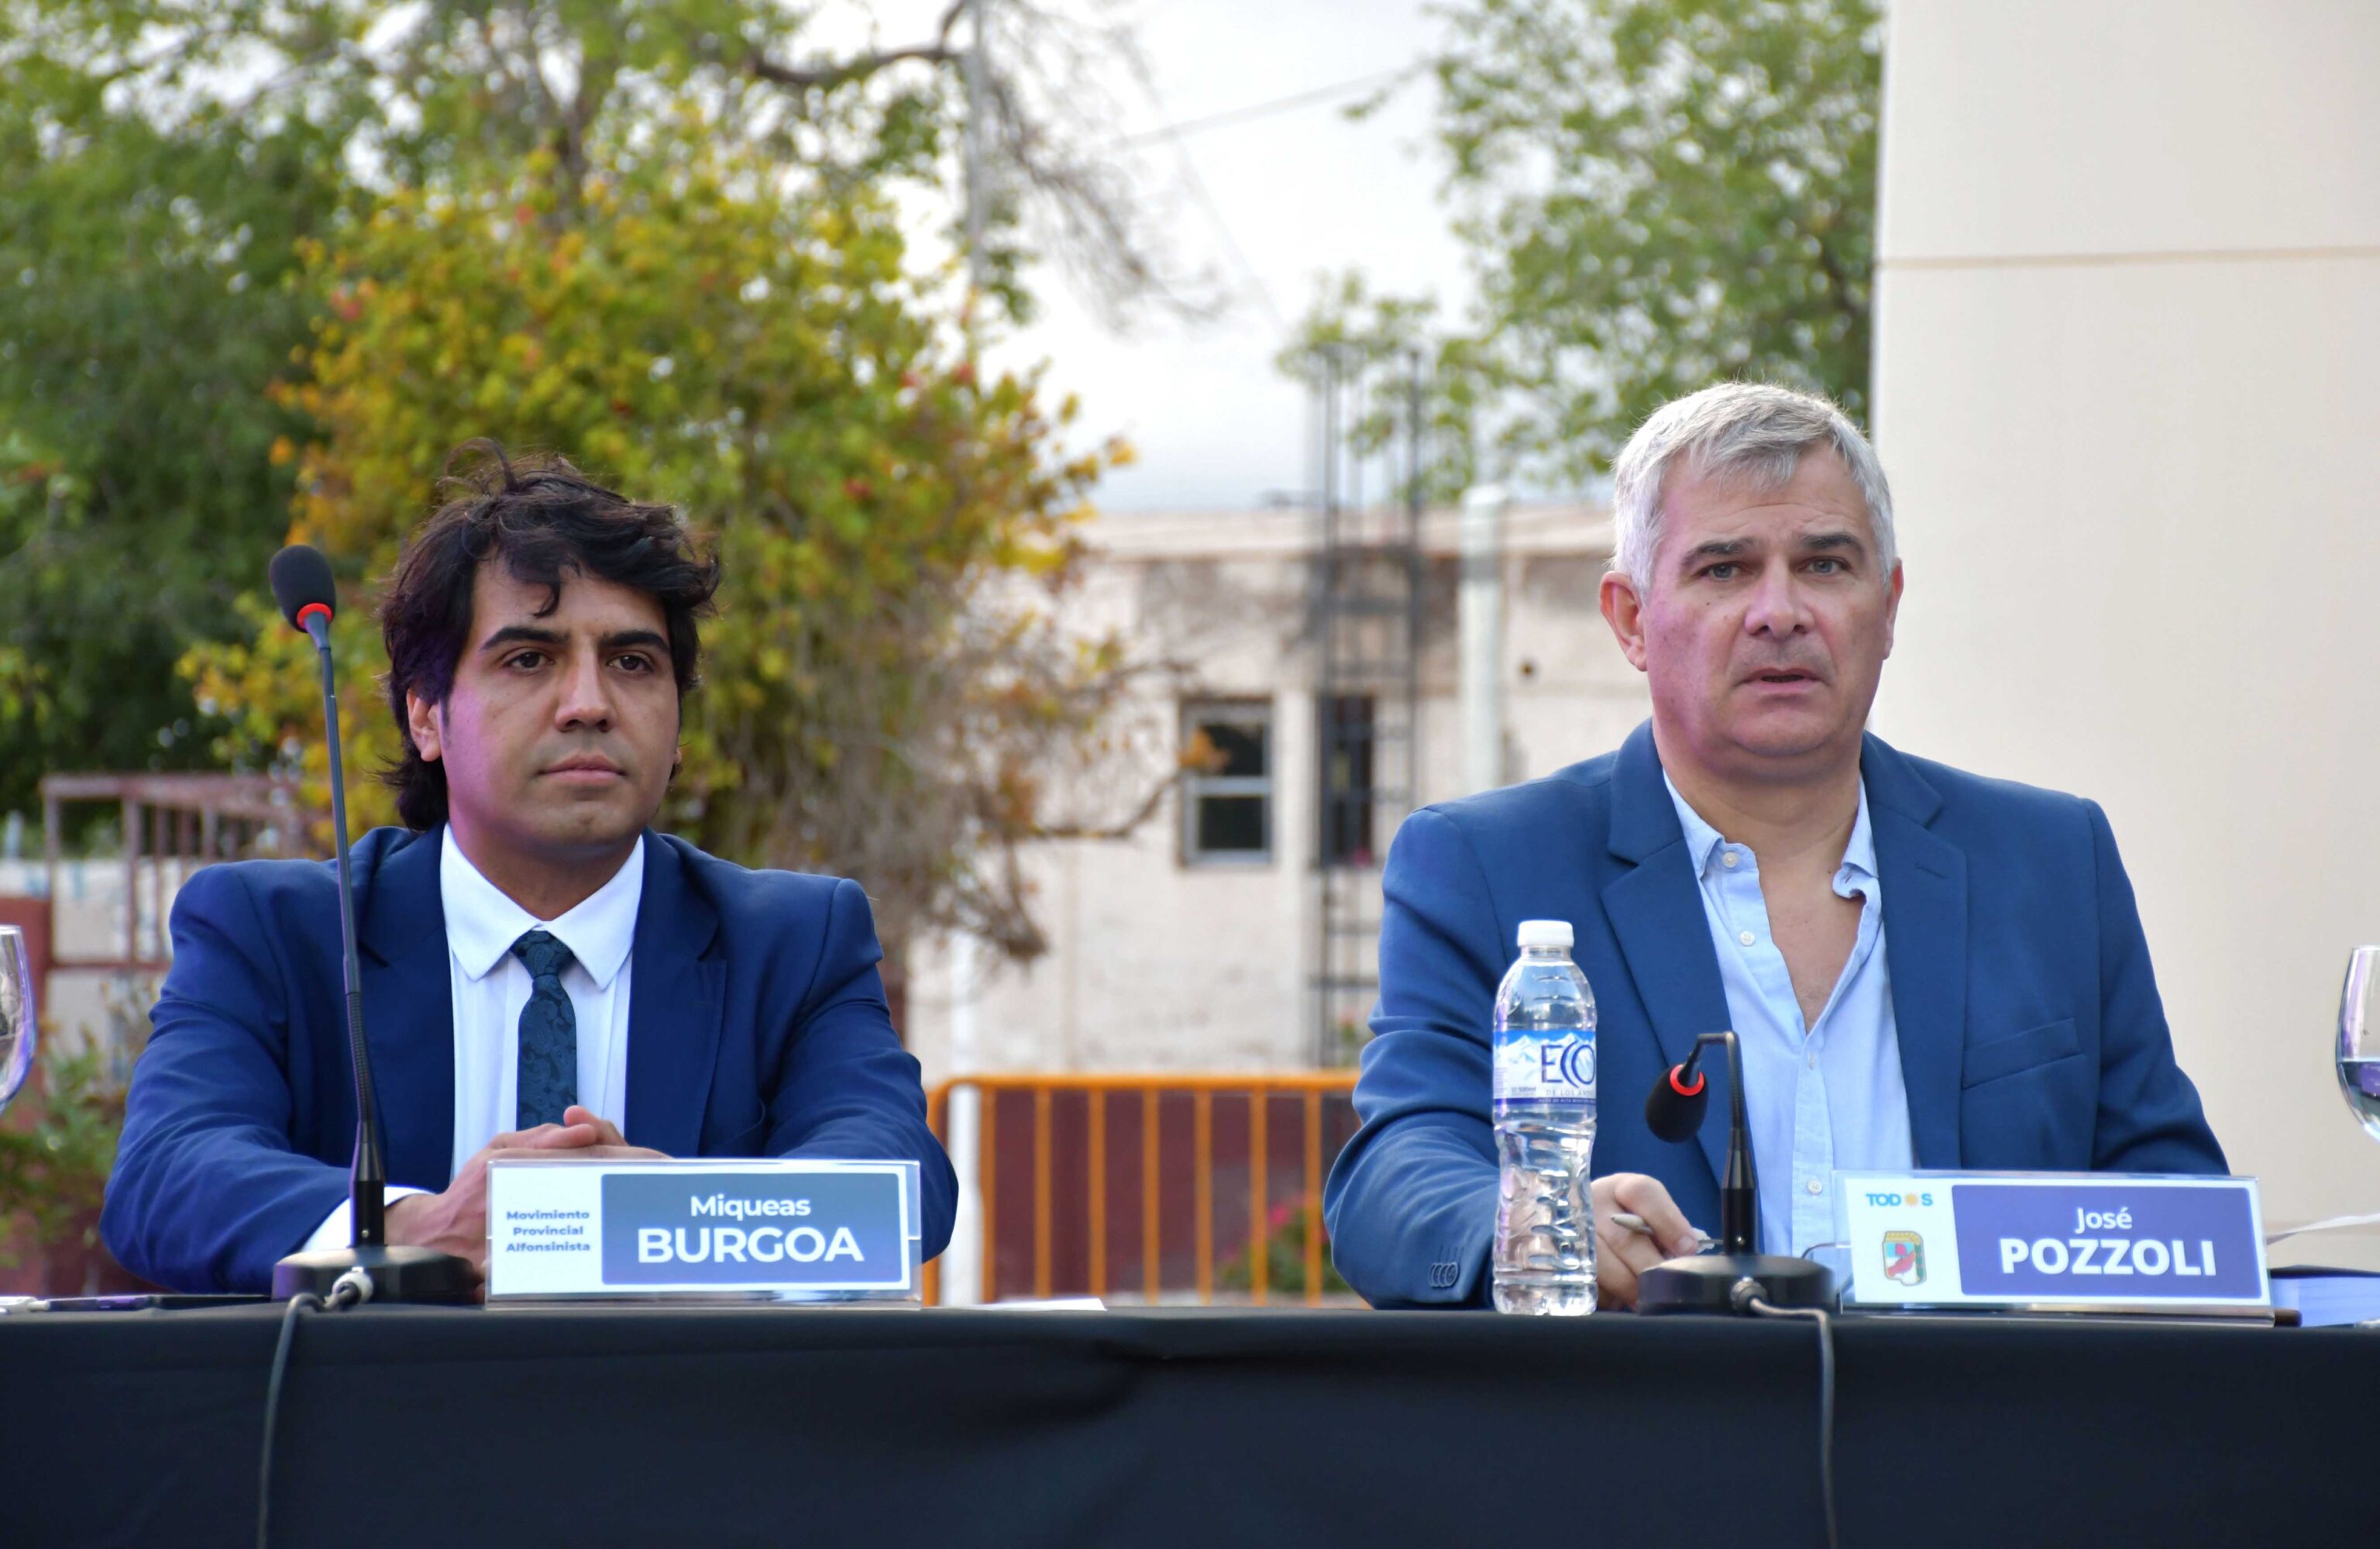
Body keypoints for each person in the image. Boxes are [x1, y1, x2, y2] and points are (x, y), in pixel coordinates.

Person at [1324, 383, 2224, 1310]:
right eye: (1725, 569)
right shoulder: (1487, 867)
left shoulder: (2050, 863)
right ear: (1631, 618)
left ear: (1889, 604)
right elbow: (1395, 1177)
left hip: (1978, 1403)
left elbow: (2171, 1200)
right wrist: (1537, 1223)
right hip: (1647, 1403)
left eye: (1825, 564)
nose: (1780, 611)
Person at [102, 446, 955, 1293]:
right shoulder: (276, 932)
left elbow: (899, 1176)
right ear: (426, 715)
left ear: (678, 727)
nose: (589, 703)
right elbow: (167, 1172)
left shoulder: (795, 941)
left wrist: (671, 1220)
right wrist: (414, 1233)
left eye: (632, 662)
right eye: (529, 659)